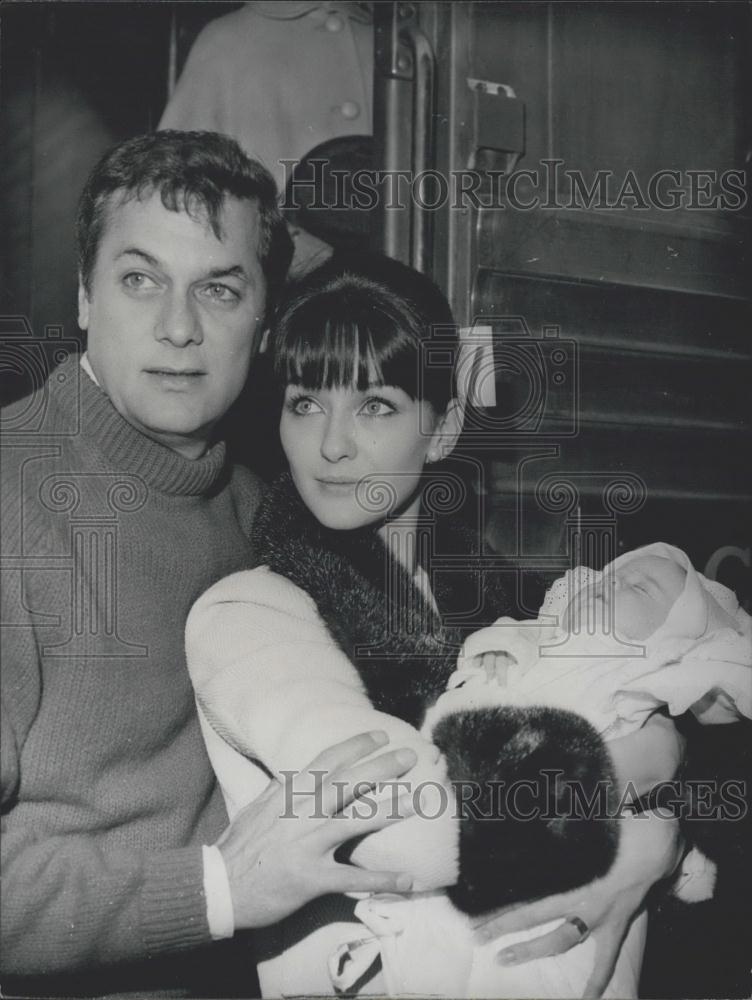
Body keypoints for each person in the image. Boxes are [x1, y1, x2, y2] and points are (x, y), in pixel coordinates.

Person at [186, 255, 686, 997]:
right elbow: (409, 829)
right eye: (305, 402)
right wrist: (643, 803)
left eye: (376, 406)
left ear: (444, 429)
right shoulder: (250, 611)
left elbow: (650, 695)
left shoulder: (510, 609)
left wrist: (660, 821)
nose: (332, 444)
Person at [0, 131, 422, 998]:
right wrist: (218, 888)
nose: (179, 327)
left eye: (219, 289)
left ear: (265, 324)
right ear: (83, 295)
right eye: (139, 280)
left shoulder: (267, 506)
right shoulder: (13, 496)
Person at [346, 544, 750, 997]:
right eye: (608, 577)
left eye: (639, 587)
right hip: (462, 822)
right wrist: (495, 651)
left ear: (672, 634)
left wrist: (666, 793)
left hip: (571, 870)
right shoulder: (544, 634)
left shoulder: (642, 668)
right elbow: (508, 634)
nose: (611, 583)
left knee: (548, 969)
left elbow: (715, 699)